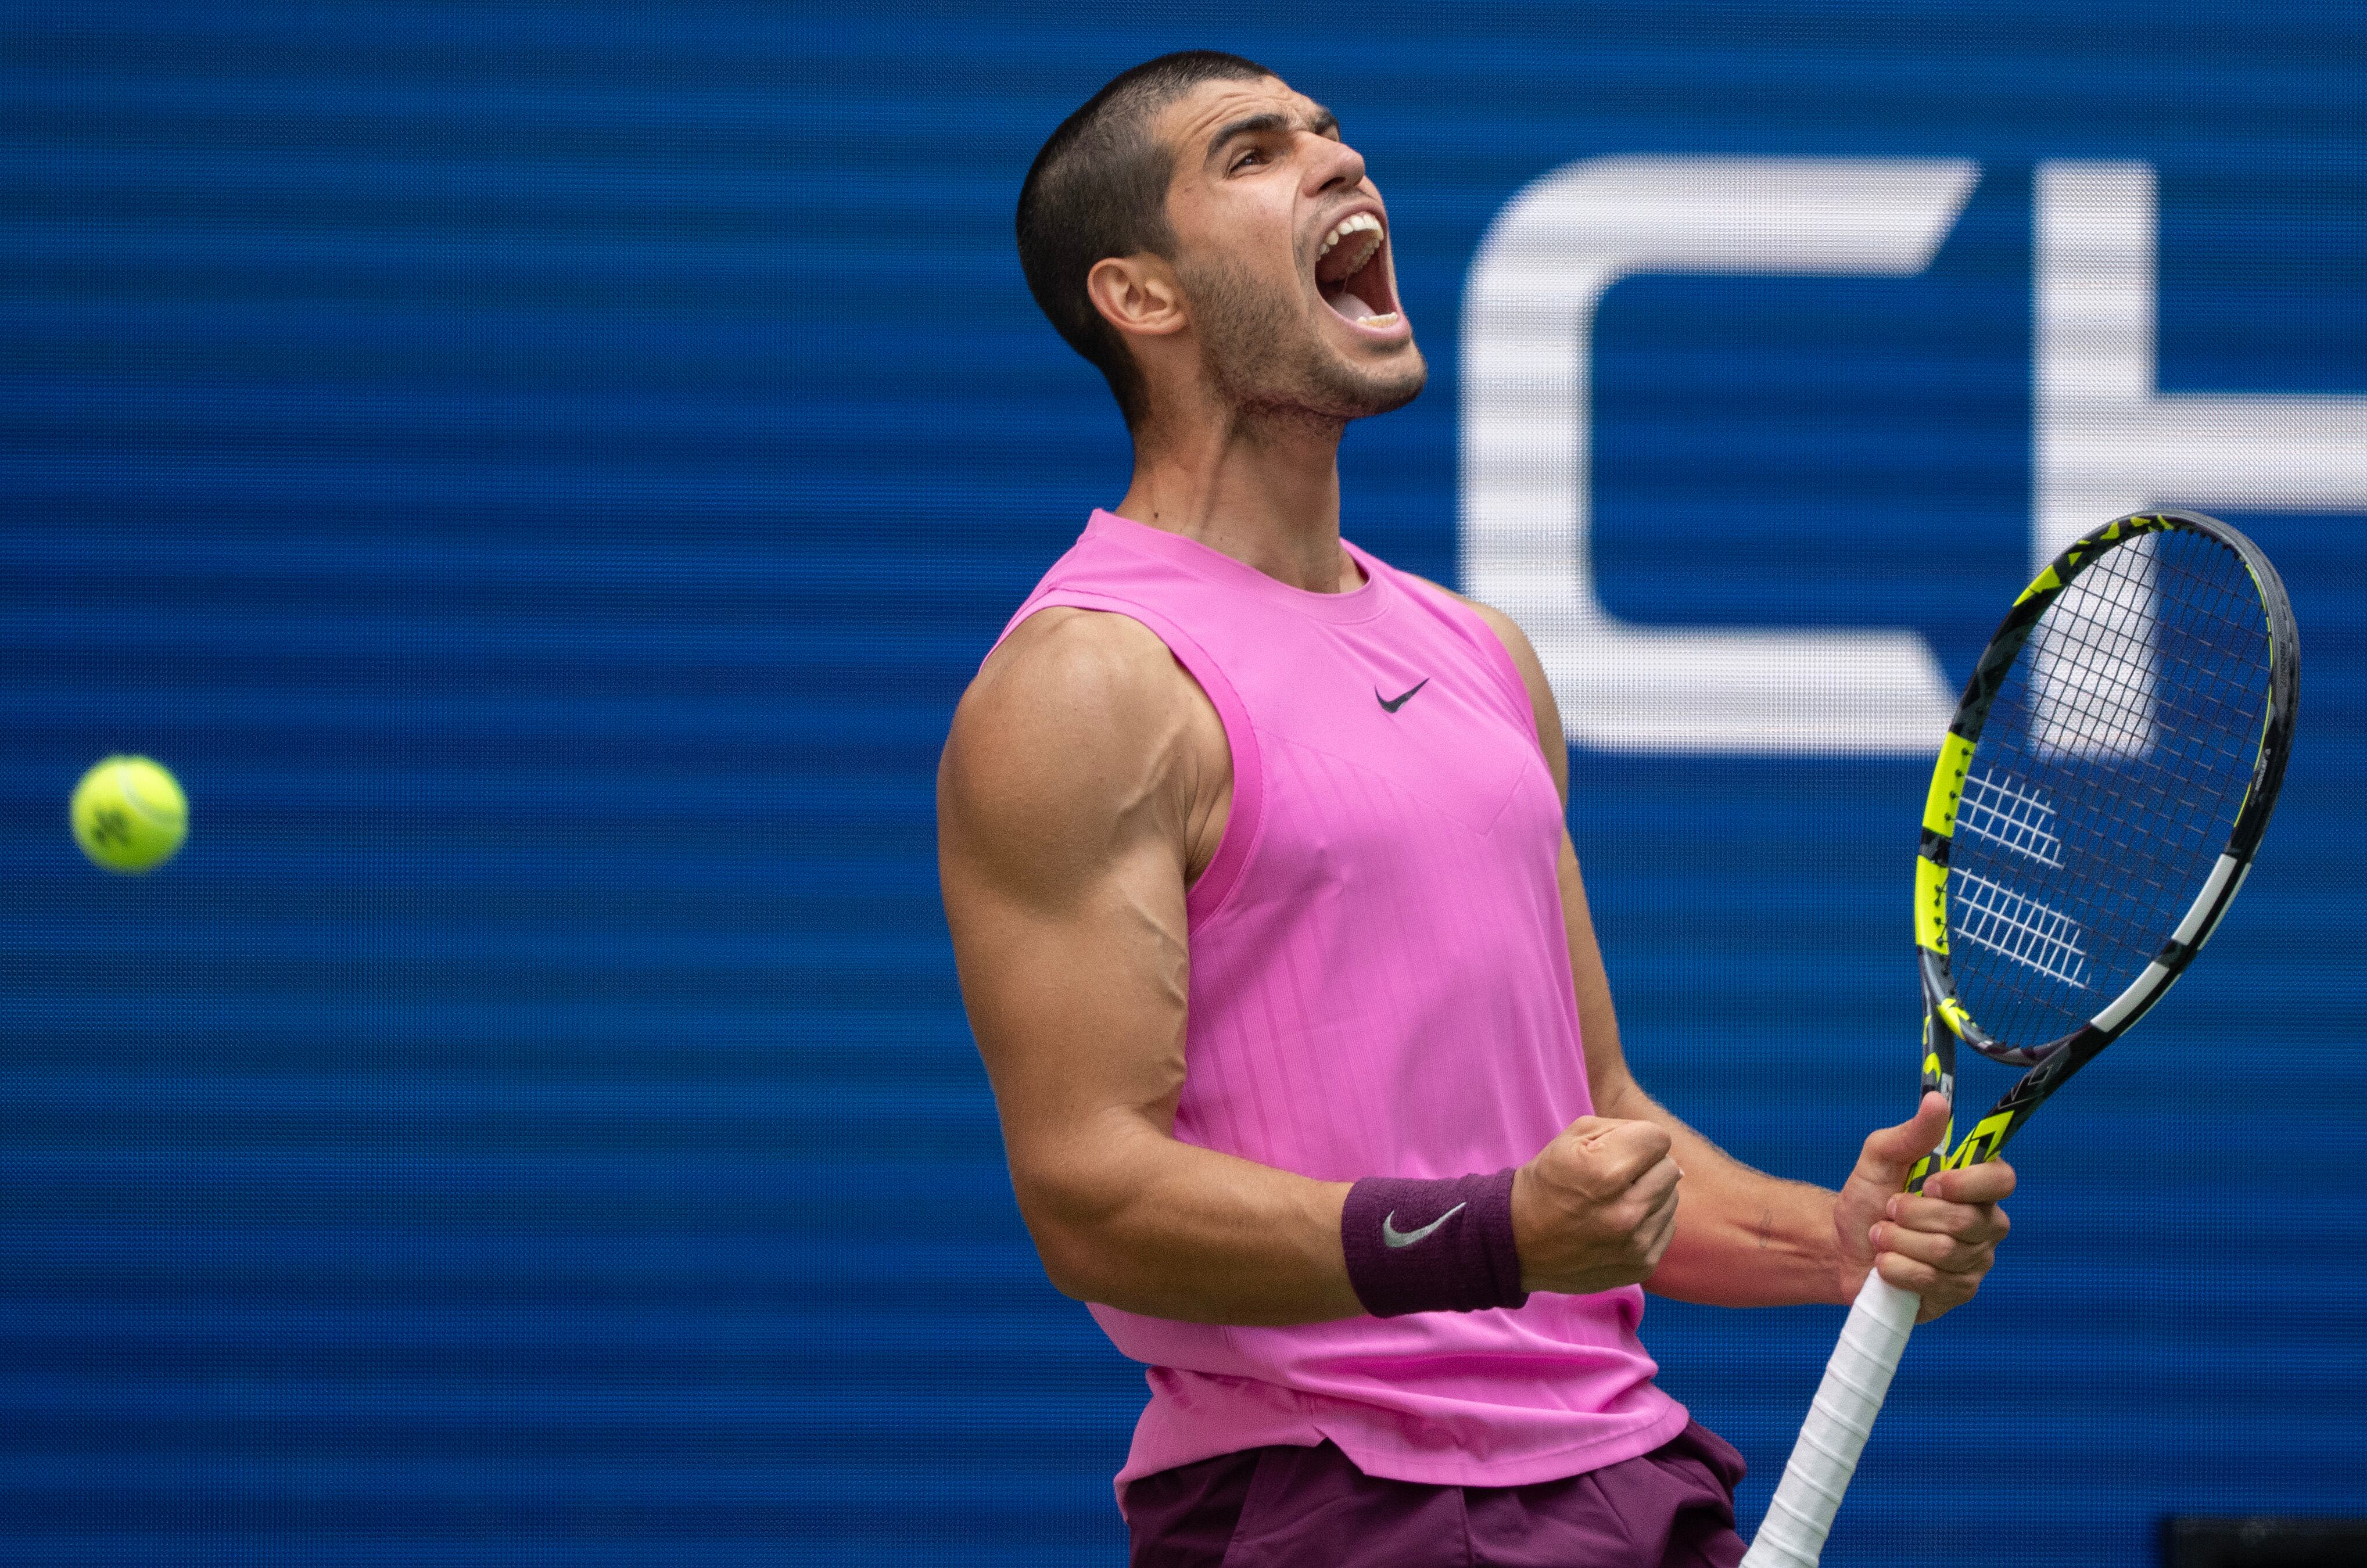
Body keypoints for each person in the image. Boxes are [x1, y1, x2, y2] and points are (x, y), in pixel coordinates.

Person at [937, 51, 2014, 1567]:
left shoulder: (1480, 654)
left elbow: (1594, 1128)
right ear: (1141, 296)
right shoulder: (1092, 682)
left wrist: (1824, 1242)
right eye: (1254, 152)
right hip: (1335, 1494)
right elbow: (1090, 1193)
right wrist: (1496, 1232)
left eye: (1330, 129)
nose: (1337, 158)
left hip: (1627, 1475)